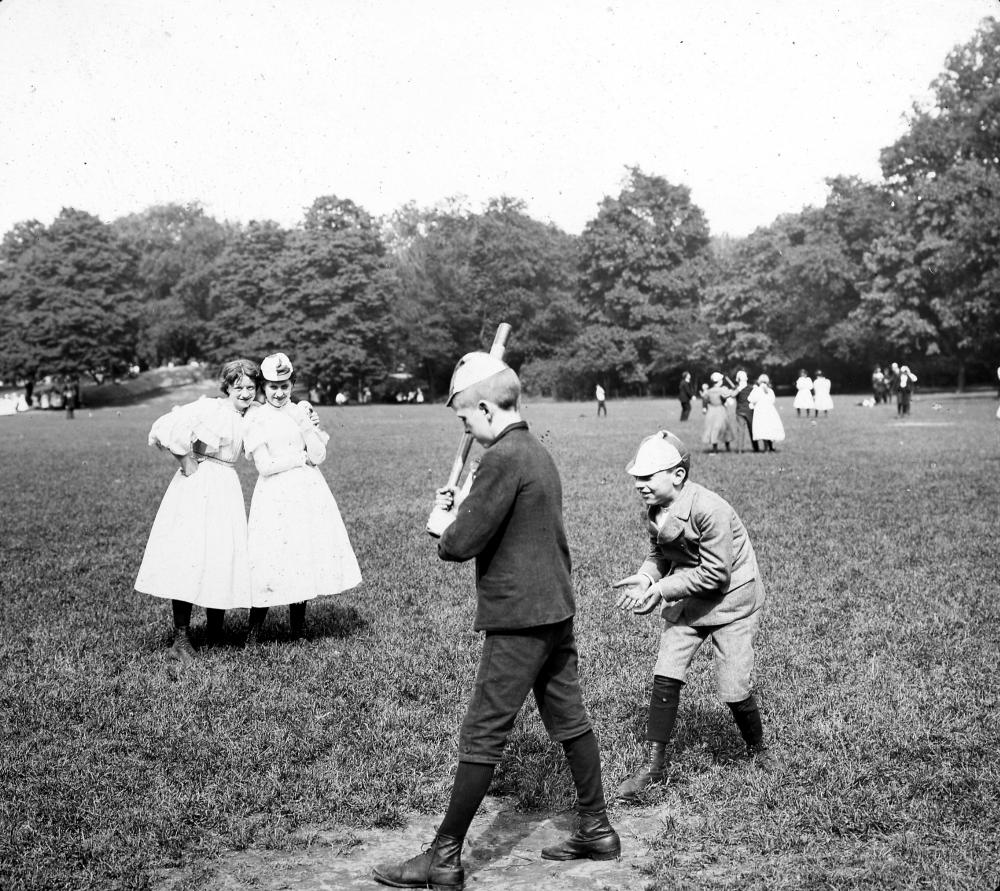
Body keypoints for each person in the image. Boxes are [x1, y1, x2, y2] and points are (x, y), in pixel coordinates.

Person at [376, 352, 620, 890]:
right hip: (555, 609)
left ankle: (443, 859)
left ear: (485, 407)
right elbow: (498, 519)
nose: (465, 429)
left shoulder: (502, 458)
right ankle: (598, 828)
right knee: (570, 720)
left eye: (465, 419)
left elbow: (461, 545)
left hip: (518, 617)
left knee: (482, 734)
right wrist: (462, 502)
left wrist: (444, 524)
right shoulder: (533, 449)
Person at [611, 430, 776, 801]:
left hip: (732, 602)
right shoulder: (655, 509)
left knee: (733, 686)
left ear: (678, 476)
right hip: (689, 599)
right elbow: (661, 554)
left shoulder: (709, 508)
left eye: (647, 477)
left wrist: (661, 590)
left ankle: (759, 748)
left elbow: (717, 575)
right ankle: (654, 765)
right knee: (665, 672)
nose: (639, 484)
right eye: (636, 477)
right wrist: (645, 576)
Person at [135, 358, 260, 660]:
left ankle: (215, 633)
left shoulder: (252, 414)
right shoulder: (211, 409)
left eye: (250, 387)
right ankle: (181, 639)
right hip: (201, 484)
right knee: (191, 555)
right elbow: (165, 425)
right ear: (227, 387)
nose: (244, 393)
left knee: (221, 553)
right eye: (238, 387)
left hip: (226, 485)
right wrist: (185, 460)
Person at [243, 353, 362, 642]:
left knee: (302, 551)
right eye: (273, 386)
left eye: (285, 385)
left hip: (306, 491)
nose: (280, 393)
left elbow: (319, 456)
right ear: (263, 387)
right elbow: (265, 466)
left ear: (292, 384)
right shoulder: (256, 417)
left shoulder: (300, 410)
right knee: (271, 557)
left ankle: (298, 628)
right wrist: (299, 458)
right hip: (275, 495)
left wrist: (306, 423)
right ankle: (254, 631)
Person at [748, 375, 784, 452]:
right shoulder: (770, 390)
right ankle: (771, 446)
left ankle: (766, 447)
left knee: (763, 428)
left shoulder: (756, 390)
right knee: (769, 427)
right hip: (770, 410)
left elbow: (751, 399)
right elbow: (773, 400)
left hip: (760, 411)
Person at [700, 372, 734, 453]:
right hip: (721, 410)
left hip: (711, 411)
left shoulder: (709, 391)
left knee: (713, 429)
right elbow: (728, 397)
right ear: (719, 381)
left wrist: (704, 408)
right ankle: (728, 447)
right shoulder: (722, 390)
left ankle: (715, 449)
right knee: (725, 428)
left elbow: (705, 400)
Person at [732, 369, 757, 453]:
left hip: (740, 411)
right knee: (752, 430)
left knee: (740, 431)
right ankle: (756, 448)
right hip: (750, 411)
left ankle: (740, 450)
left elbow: (732, 395)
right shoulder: (751, 387)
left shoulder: (736, 388)